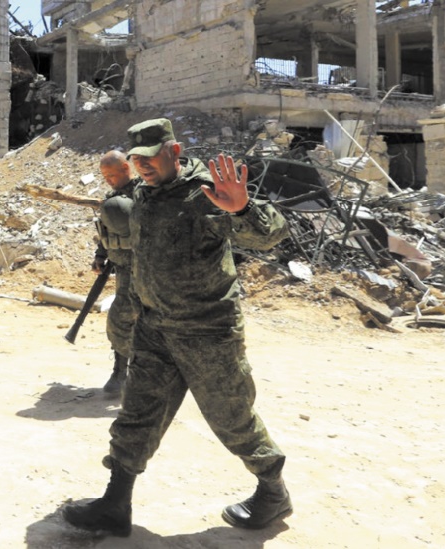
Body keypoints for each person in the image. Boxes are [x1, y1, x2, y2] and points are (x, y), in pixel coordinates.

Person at [63, 118, 292, 537]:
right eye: (137, 159)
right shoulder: (143, 195)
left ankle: (273, 492)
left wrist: (241, 208)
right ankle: (116, 502)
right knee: (136, 415)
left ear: (175, 151)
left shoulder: (205, 192)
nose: (144, 166)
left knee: (232, 416)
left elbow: (272, 233)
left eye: (151, 157)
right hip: (154, 327)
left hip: (205, 330)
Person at [92, 150, 138, 397]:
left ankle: (126, 374)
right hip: (123, 271)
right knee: (124, 321)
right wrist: (101, 255)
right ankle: (121, 372)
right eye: (104, 176)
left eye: (112, 174)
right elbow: (107, 231)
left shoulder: (145, 195)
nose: (108, 179)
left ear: (125, 168)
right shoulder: (113, 199)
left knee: (122, 320)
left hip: (145, 270)